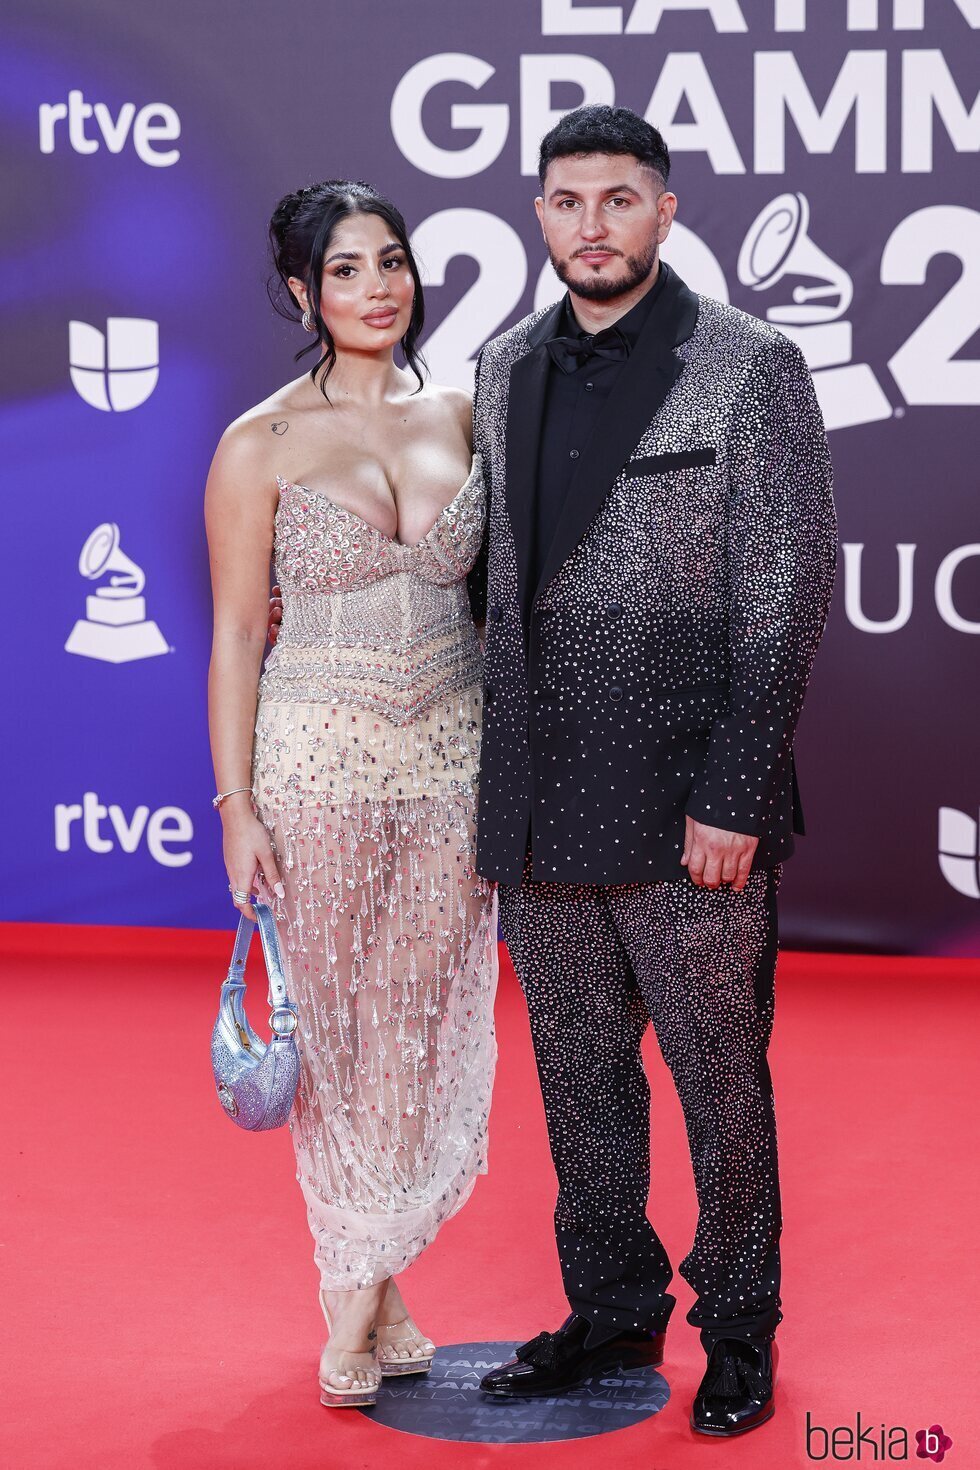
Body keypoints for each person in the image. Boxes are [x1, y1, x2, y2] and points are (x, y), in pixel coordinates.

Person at [468, 106, 837, 1437]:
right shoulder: (502, 362)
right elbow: (492, 582)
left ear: (665, 211)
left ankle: (739, 1320)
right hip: (540, 798)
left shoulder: (749, 364)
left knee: (721, 1078)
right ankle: (612, 1299)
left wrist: (737, 789)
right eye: (567, 201)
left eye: (619, 200)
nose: (592, 226)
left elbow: (786, 594)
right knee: (578, 1076)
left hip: (693, 804)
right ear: (540, 214)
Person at [205, 180, 498, 1410]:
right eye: (344, 271)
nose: (376, 289)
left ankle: (374, 1276)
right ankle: (352, 1296)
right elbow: (231, 637)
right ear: (299, 291)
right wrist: (237, 806)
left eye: (390, 264)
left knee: (425, 1009)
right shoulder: (258, 442)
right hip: (315, 760)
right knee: (336, 1022)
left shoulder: (468, 416)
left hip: (455, 759)